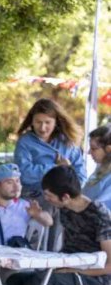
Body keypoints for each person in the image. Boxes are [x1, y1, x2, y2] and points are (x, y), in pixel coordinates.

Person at [14, 98, 85, 249]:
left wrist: (68, 170)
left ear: (56, 122)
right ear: (31, 121)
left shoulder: (69, 143)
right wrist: (56, 168)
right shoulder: (25, 142)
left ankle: (54, 269)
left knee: (60, 239)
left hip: (63, 200)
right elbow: (25, 174)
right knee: (33, 239)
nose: (43, 127)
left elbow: (80, 178)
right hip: (34, 196)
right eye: (38, 122)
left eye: (48, 122)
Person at [83, 124, 111, 209]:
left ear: (109, 149)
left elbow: (99, 208)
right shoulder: (101, 169)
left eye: (93, 148)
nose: (88, 152)